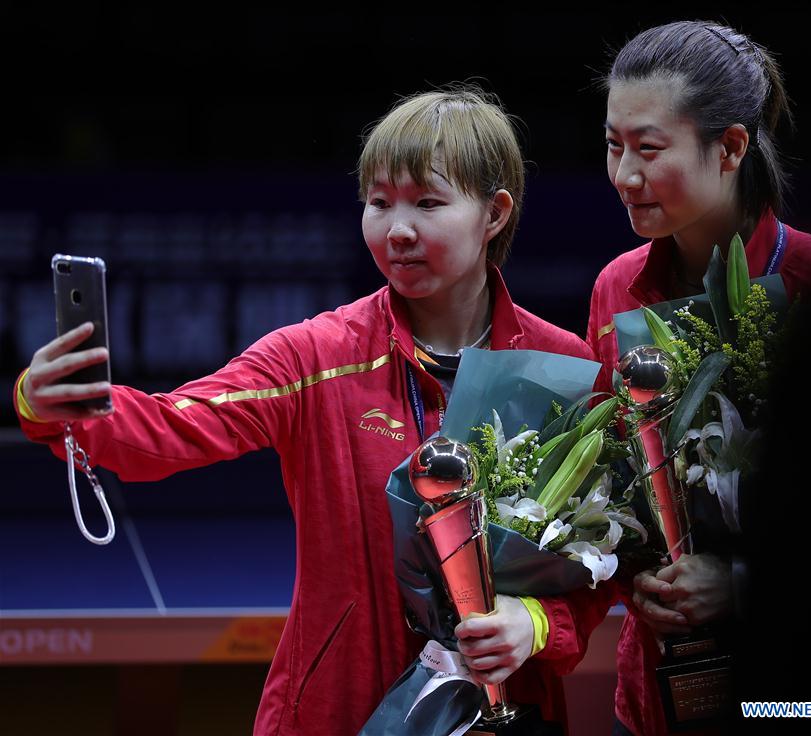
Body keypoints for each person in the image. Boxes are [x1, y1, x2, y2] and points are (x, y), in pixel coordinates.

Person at [16, 86, 610, 735]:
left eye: (427, 203)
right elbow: (174, 425)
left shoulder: (562, 368)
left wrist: (537, 623)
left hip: (505, 711)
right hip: (337, 711)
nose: (397, 229)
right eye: (378, 202)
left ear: (493, 214)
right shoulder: (316, 356)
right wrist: (58, 405)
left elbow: (603, 553)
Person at [585, 21, 811, 735]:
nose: (624, 175)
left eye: (648, 149)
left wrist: (741, 583)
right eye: (613, 145)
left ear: (731, 148)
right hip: (655, 698)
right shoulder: (615, 289)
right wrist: (633, 570)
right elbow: (607, 477)